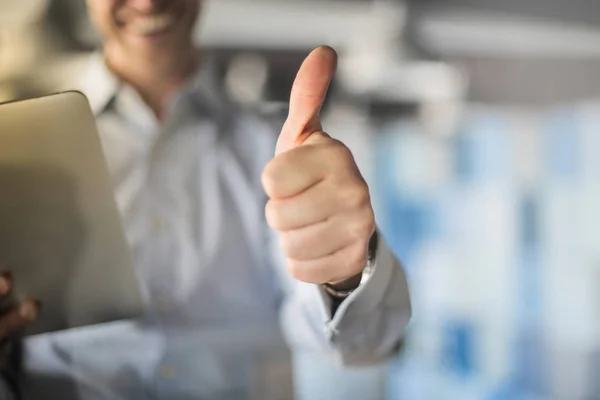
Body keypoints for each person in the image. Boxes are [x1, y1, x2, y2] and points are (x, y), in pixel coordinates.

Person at [0, 0, 412, 398]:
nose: (147, 2)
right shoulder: (19, 149)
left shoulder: (278, 149)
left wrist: (342, 277)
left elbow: (365, 344)